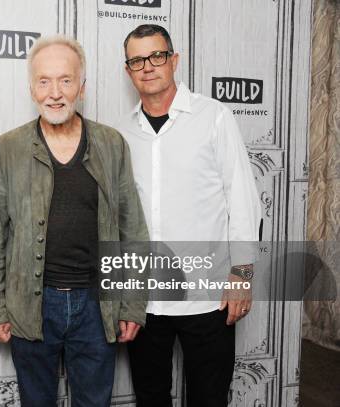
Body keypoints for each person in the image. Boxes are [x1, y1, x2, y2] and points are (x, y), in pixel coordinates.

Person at [0, 35, 149, 407]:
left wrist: (133, 303)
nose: (55, 93)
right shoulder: (8, 148)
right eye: (44, 81)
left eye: (66, 80)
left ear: (82, 88)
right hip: (30, 305)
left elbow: (132, 229)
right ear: (32, 88)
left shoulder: (111, 144)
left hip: (97, 305)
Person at [117, 24, 261, 407]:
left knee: (210, 398)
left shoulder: (213, 116)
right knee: (150, 398)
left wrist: (242, 274)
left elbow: (242, 198)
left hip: (209, 296)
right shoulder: (121, 133)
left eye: (157, 56)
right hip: (145, 299)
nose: (147, 66)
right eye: (137, 60)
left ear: (174, 60)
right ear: (129, 70)